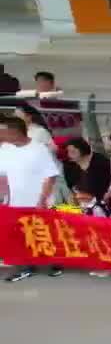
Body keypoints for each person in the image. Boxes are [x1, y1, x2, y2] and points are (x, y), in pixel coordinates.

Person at [0, 115, 63, 282]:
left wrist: (42, 199)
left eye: (3, 132)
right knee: (21, 235)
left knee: (44, 234)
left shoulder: (38, 149)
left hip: (39, 201)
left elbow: (51, 176)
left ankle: (56, 263)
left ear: (15, 132)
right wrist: (4, 198)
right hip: (16, 201)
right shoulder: (5, 149)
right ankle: (27, 266)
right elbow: (3, 175)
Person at [63, 137, 111, 202]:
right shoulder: (70, 166)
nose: (69, 155)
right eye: (68, 151)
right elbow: (71, 186)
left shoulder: (100, 161)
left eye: (73, 152)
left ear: (82, 149)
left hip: (103, 199)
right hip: (83, 201)